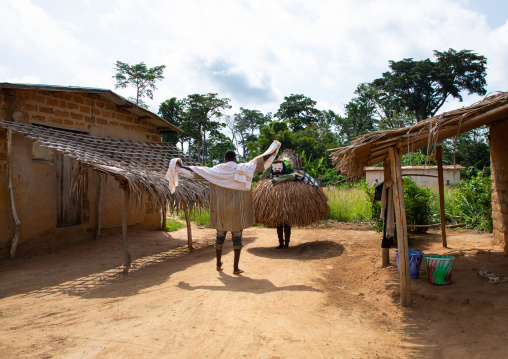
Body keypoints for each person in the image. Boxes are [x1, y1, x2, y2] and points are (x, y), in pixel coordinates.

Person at [165, 141, 280, 274]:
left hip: (221, 212)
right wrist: (273, 149)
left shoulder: (215, 171)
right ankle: (236, 268)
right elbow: (261, 161)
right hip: (237, 212)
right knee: (237, 240)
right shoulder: (244, 170)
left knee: (219, 239)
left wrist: (179, 166)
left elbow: (195, 171)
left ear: (225, 159)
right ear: (235, 159)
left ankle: (218, 264)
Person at [253, 149, 329, 249]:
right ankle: (283, 243)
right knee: (281, 225)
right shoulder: (293, 175)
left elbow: (263, 177)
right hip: (278, 208)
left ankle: (284, 243)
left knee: (283, 225)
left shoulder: (296, 175)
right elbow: (264, 176)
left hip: (285, 207)